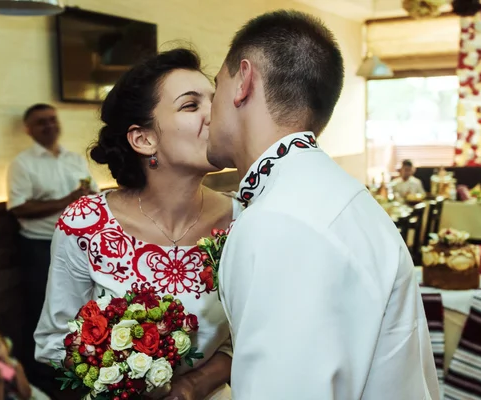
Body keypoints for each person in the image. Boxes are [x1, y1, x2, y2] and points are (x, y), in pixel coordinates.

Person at [207, 10, 440, 399]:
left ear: (243, 81)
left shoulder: (284, 221)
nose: (208, 113)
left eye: (215, 88)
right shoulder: (325, 193)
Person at [35, 48, 240, 400]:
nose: (215, 114)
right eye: (191, 105)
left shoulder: (244, 220)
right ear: (144, 139)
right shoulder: (87, 223)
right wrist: (123, 374)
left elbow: (256, 334)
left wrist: (194, 384)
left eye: (215, 100)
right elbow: (54, 340)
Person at [6, 103, 98, 387]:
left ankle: (82, 368)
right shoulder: (22, 164)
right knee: (43, 309)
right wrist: (67, 200)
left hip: (79, 246)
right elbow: (18, 208)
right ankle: (46, 380)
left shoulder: (74, 159)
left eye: (52, 120)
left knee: (81, 307)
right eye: (41, 122)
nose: (49, 126)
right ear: (28, 129)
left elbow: (92, 193)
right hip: (39, 247)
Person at [0, 330, 49, 400]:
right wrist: (0, 381)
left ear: (6, 347)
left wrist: (17, 372)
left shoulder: (16, 365)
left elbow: (26, 395)